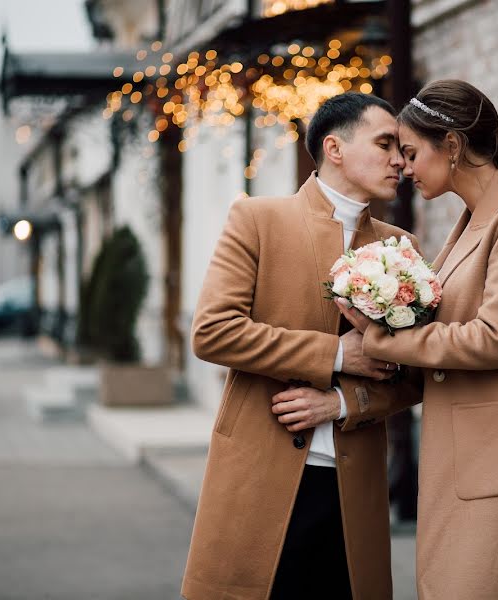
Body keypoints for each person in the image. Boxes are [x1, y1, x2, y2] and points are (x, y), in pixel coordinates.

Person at [337, 80, 498, 599]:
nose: (405, 167)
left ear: (452, 145)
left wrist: (383, 338)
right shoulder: (471, 220)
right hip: (468, 462)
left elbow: (495, 338)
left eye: (411, 153)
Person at [181, 92, 420, 600]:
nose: (400, 159)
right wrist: (335, 355)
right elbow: (213, 330)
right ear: (334, 148)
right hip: (260, 476)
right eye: (385, 144)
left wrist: (341, 403)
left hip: (355, 485)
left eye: (401, 148)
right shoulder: (257, 219)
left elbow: (415, 376)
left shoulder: (402, 248)